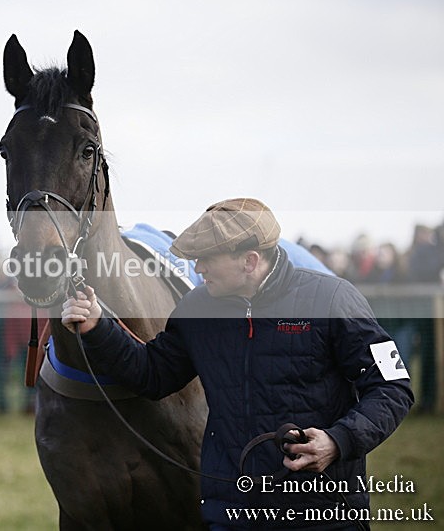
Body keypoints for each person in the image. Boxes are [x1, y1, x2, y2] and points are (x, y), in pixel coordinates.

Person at [62, 198, 413, 530]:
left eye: (206, 260)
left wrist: (338, 441)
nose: (197, 269)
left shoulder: (334, 299)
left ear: (249, 260)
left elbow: (393, 387)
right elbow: (152, 373)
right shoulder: (196, 309)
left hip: (325, 513)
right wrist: (98, 327)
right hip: (232, 512)